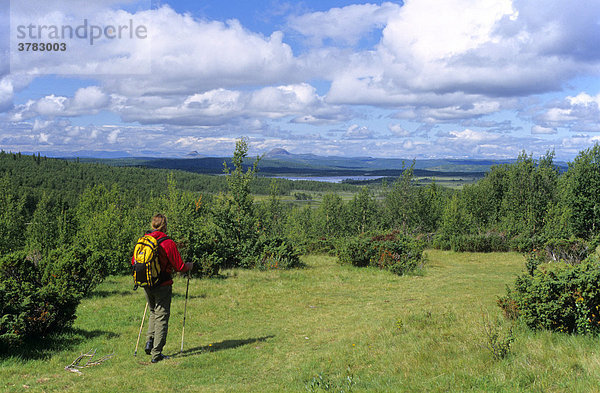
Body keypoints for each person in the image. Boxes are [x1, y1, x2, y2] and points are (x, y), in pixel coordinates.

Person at [132, 214, 193, 363]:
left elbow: (134, 262)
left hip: (146, 283)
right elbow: (179, 267)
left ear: (152, 225)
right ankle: (156, 354)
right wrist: (189, 266)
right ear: (164, 225)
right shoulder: (168, 243)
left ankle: (149, 342)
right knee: (162, 316)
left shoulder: (143, 241)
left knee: (153, 312)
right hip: (163, 284)